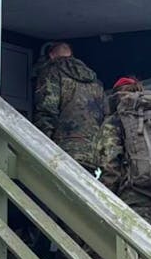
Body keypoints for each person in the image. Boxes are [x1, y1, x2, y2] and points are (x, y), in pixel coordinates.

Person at [97, 77, 151, 241]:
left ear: (115, 97)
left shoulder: (115, 121)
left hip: (135, 197)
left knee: (130, 255)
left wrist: (103, 201)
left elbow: (110, 167)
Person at [32, 42, 105, 173]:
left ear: (51, 55)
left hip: (63, 150)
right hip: (92, 151)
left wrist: (43, 146)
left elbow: (47, 109)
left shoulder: (51, 72)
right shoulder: (95, 81)